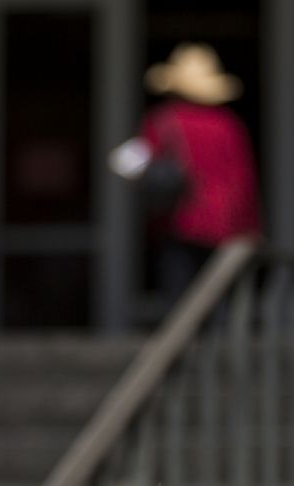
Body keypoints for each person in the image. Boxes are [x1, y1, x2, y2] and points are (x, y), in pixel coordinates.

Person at [110, 43, 261, 303]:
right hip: (224, 226)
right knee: (218, 299)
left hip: (179, 222)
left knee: (180, 298)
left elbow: (129, 163)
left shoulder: (163, 120)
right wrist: (251, 227)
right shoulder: (227, 125)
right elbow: (244, 181)